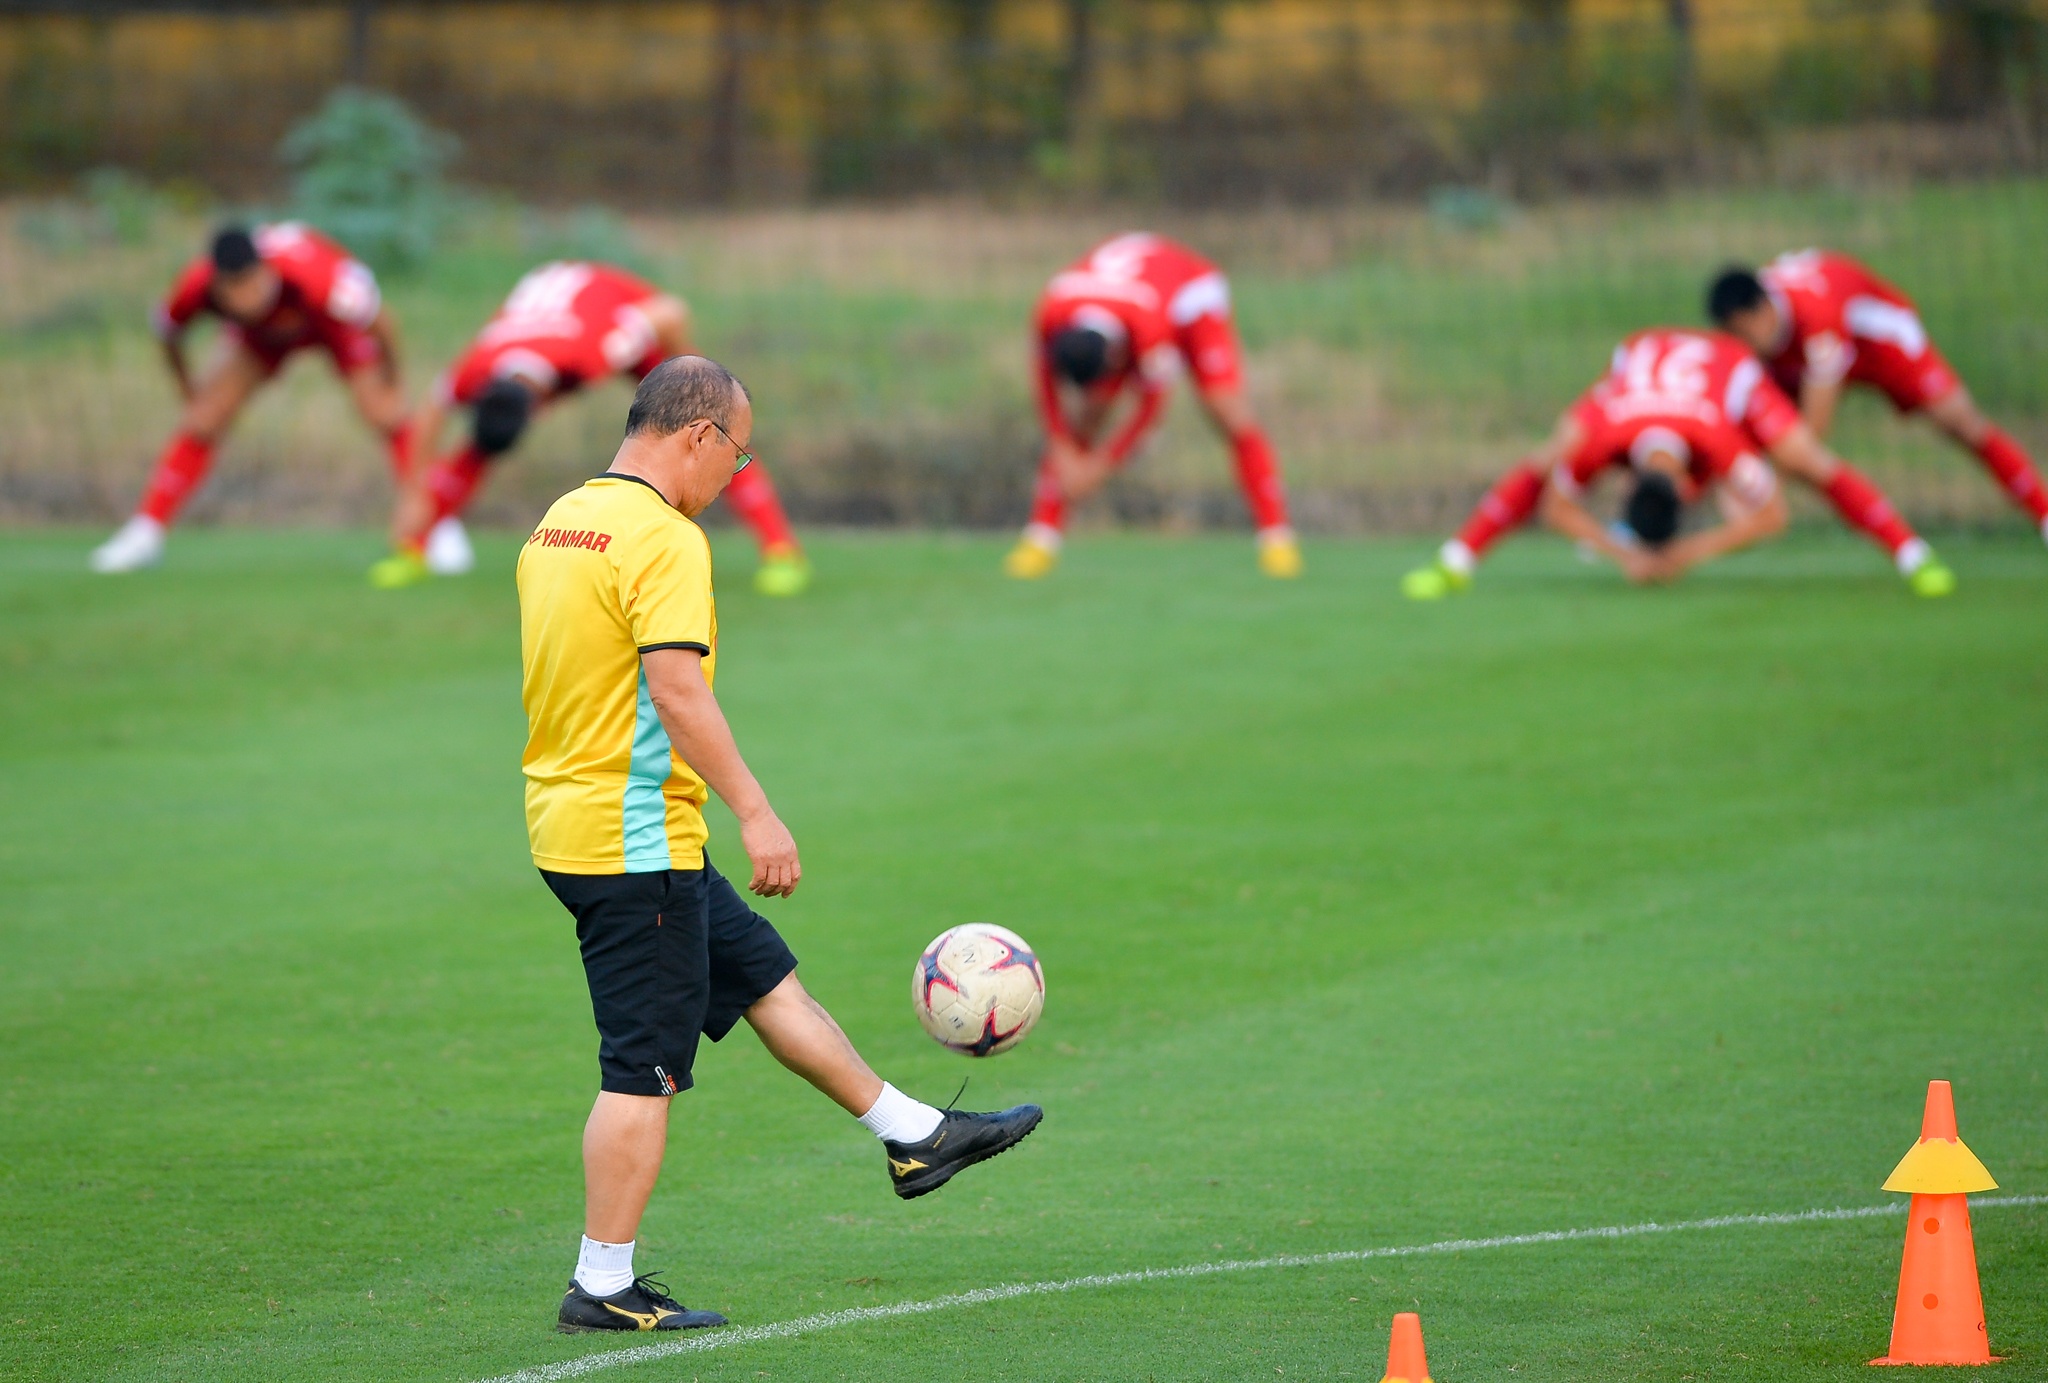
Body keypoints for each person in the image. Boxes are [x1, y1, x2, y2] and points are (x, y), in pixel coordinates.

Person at [518, 355, 1040, 1334]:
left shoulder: (563, 519)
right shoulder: (663, 539)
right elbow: (675, 689)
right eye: (739, 454)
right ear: (698, 435)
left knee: (762, 978)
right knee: (642, 1068)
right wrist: (755, 809)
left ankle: (913, 1136)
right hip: (635, 845)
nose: (736, 476)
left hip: (577, 820)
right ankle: (601, 1284)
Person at [1402, 327, 1957, 597]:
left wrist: (1684, 555)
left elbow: (1775, 515)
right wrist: (1624, 552)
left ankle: (1913, 555)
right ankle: (1456, 560)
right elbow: (1554, 507)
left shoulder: (1718, 439)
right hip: (1636, 369)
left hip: (1726, 371)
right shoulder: (1601, 436)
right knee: (1549, 455)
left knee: (1805, 457)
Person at [371, 261, 810, 596]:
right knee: (480, 448)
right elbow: (429, 418)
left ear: (541, 409)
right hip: (549, 330)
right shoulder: (475, 370)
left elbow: (670, 312)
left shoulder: (596, 351)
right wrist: (412, 491)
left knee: (711, 428)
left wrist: (687, 377)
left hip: (619, 313)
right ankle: (415, 548)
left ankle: (782, 552)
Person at [91, 223, 413, 573]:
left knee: (384, 413)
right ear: (217, 284)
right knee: (204, 419)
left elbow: (381, 323)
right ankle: (145, 533)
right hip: (260, 339)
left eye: (251, 284)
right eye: (234, 289)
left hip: (330, 326)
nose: (246, 297)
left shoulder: (316, 279)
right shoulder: (195, 287)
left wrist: (392, 377)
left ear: (266, 270)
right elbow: (168, 334)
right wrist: (186, 387)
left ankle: (430, 530)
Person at [1006, 232, 1301, 580]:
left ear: (1118, 358)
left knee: (1228, 413)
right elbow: (1044, 388)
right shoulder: (1051, 313)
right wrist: (1061, 447)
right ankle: (1041, 540)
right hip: (1126, 302)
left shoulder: (1149, 325)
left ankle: (1277, 540)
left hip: (1191, 298)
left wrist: (1100, 468)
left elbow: (1151, 409)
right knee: (1086, 418)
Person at [1710, 251, 2048, 543]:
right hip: (1805, 354)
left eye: (1744, 331)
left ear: (1763, 311)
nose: (1744, 343)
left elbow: (1814, 429)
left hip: (1881, 346)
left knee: (1962, 424)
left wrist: (1760, 488)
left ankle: (2044, 513)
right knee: (1742, 418)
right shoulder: (1759, 322)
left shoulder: (1817, 315)